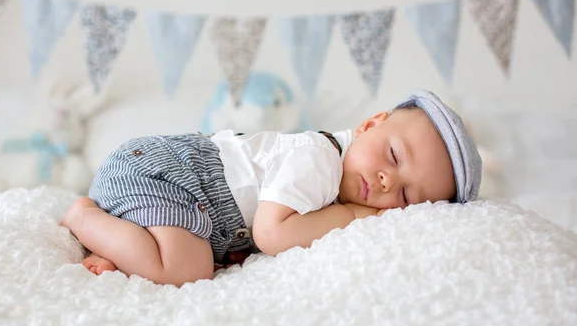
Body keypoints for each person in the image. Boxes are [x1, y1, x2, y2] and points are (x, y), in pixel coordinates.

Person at [61, 89, 482, 287]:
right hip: (165, 174)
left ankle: (117, 243)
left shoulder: (332, 183)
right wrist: (354, 215)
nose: (389, 182)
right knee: (187, 270)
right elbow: (271, 233)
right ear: (371, 123)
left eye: (406, 197)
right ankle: (85, 217)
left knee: (186, 255)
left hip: (174, 196)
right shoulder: (319, 158)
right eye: (392, 155)